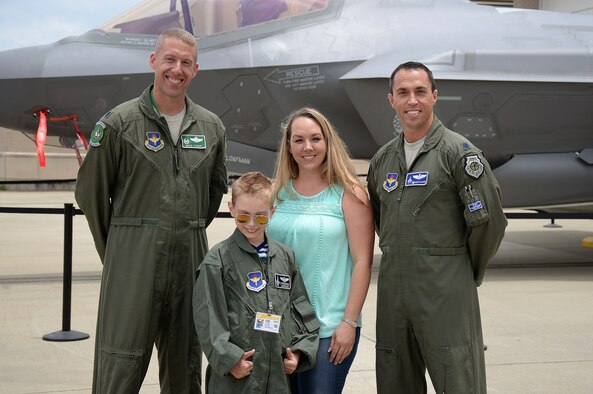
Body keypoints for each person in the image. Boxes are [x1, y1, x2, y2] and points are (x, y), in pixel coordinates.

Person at [75, 27, 227, 393]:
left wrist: (185, 228)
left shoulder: (211, 127)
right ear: (153, 61)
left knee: (184, 367)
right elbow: (91, 193)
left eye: (186, 63)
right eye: (170, 59)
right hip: (132, 265)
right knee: (120, 365)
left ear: (195, 70)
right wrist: (120, 250)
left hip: (189, 263)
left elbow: (213, 193)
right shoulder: (119, 123)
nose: (177, 69)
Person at [367, 61, 508, 394]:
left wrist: (459, 269)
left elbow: (490, 224)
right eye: (403, 92)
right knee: (394, 377)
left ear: (434, 96)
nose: (411, 100)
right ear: (391, 100)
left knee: (457, 379)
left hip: (446, 292)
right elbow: (380, 219)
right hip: (393, 293)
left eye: (419, 91)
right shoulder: (382, 161)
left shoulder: (459, 155)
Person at [267, 107, 374, 393]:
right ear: (288, 146)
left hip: (329, 328)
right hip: (281, 328)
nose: (308, 147)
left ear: (328, 142)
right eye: (299, 140)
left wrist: (349, 322)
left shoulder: (350, 194)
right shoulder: (277, 193)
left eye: (315, 138)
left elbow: (363, 262)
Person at [193, 171, 319, 393]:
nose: (251, 224)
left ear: (272, 212)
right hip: (236, 379)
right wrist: (230, 360)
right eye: (243, 216)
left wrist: (299, 352)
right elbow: (209, 318)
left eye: (260, 217)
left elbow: (301, 309)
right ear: (232, 209)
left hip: (277, 378)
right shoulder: (217, 261)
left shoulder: (285, 257)